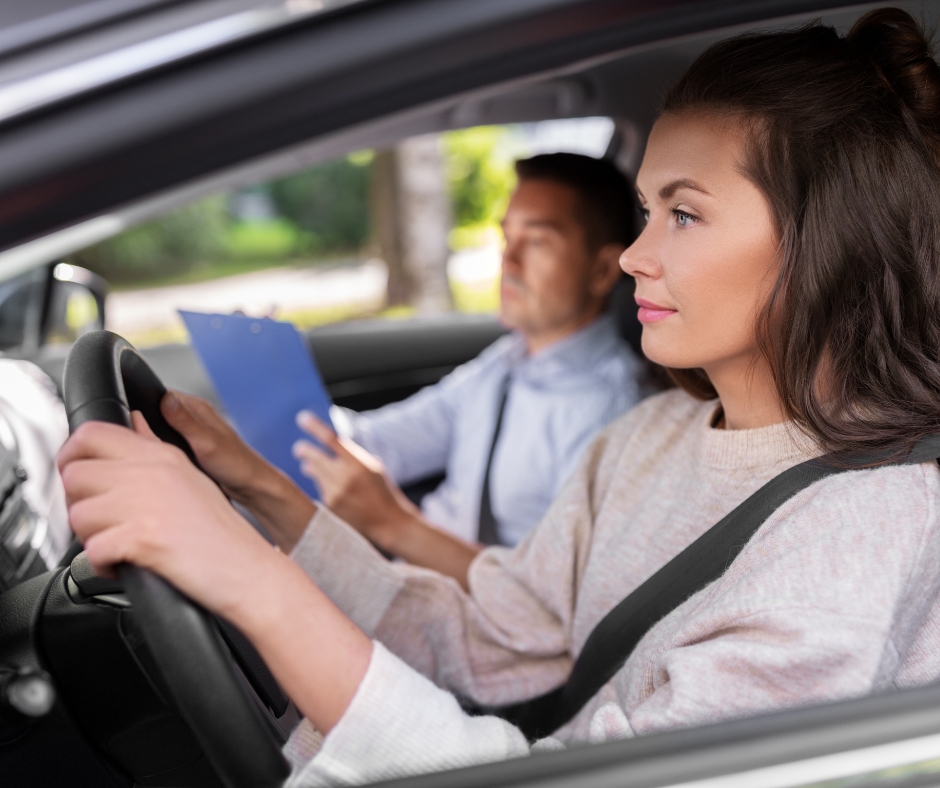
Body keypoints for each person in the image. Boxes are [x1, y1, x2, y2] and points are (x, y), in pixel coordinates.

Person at [58, 8, 940, 786]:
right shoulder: (652, 434)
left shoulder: (865, 532)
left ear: (830, 242)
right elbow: (498, 637)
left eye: (684, 213)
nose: (635, 257)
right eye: (643, 212)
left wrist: (247, 579)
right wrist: (262, 496)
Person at [292, 153, 644, 583]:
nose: (508, 263)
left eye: (536, 242)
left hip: (472, 625)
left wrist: (395, 525)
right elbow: (375, 443)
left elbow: (549, 596)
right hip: (405, 585)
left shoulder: (614, 411)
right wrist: (276, 380)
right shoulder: (503, 363)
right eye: (506, 239)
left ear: (604, 269)